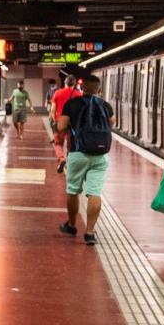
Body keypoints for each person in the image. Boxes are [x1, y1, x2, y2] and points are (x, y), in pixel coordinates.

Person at [57, 73, 114, 246]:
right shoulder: (106, 106)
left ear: (82, 87)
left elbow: (61, 127)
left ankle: (72, 225)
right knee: (94, 193)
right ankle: (90, 233)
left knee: (73, 191)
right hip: (100, 156)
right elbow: (111, 124)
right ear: (99, 89)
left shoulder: (72, 104)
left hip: (78, 153)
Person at [49, 75, 79, 174]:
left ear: (65, 83)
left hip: (60, 122)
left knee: (58, 143)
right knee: (71, 145)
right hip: (72, 124)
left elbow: (52, 110)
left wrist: (54, 121)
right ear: (74, 84)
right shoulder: (78, 94)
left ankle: (62, 159)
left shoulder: (57, 93)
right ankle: (69, 163)